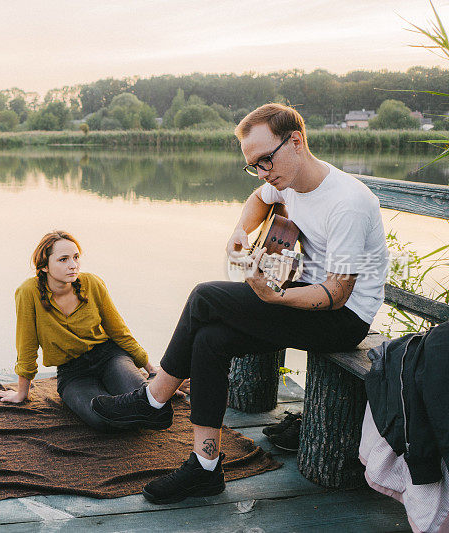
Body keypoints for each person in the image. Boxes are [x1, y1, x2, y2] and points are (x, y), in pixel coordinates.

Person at [91, 103, 388, 503]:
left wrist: (276, 295)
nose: (264, 173)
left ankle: (155, 398)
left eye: (266, 160)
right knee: (210, 338)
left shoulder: (348, 203)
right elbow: (259, 198)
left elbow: (337, 294)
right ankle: (205, 467)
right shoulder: (285, 180)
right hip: (305, 289)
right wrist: (240, 230)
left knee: (205, 295)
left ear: (296, 142)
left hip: (343, 317)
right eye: (254, 165)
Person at [0, 230, 186, 431]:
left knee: (148, 401)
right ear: (44, 266)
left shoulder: (92, 283)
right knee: (100, 419)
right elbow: (27, 345)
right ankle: (129, 407)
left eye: (76, 257)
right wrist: (22, 393)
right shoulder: (27, 292)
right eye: (63, 259)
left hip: (110, 358)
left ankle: (148, 397)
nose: (73, 265)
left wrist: (152, 370)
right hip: (73, 373)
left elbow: (119, 331)